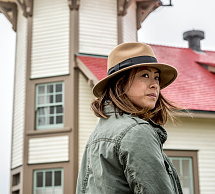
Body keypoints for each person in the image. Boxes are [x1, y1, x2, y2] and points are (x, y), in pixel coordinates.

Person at [76, 42, 183, 194]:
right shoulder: (137, 132)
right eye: (145, 75)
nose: (155, 85)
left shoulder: (99, 133)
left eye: (157, 77)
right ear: (121, 81)